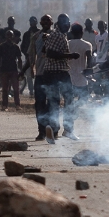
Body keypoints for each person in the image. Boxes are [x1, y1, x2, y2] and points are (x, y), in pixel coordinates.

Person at [38, 14, 78, 144]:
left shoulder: (54, 36)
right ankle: (65, 129)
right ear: (59, 24)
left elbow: (45, 50)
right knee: (67, 99)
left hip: (52, 72)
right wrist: (70, 55)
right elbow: (49, 53)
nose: (68, 25)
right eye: (65, 23)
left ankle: (55, 131)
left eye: (68, 23)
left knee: (55, 102)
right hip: (58, 72)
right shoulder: (58, 35)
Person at [64, 22, 94, 140]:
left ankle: (68, 129)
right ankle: (70, 126)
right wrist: (90, 72)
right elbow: (90, 60)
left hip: (69, 77)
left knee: (68, 103)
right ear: (82, 33)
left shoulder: (67, 44)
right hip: (82, 78)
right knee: (84, 98)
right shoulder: (87, 45)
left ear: (71, 32)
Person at [0, 30, 25, 109]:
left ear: (13, 37)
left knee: (16, 89)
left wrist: (21, 70)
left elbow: (19, 59)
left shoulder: (16, 47)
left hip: (13, 69)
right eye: (8, 35)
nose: (9, 37)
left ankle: (17, 105)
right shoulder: (1, 47)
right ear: (5, 36)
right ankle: (4, 105)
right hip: (4, 69)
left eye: (10, 35)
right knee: (5, 89)